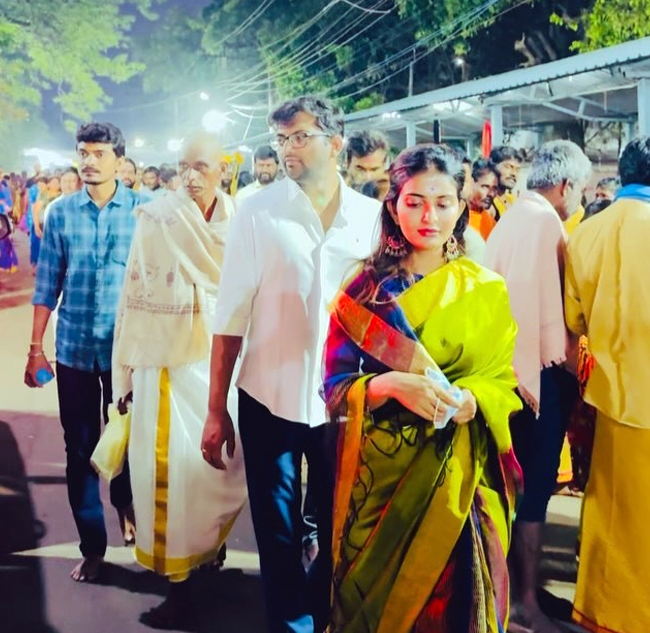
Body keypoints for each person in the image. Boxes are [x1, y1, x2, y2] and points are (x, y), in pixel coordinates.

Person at [201, 95, 381, 633]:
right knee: (277, 527)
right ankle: (291, 622)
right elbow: (230, 316)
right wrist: (216, 409)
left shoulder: (372, 219)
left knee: (336, 520)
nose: (287, 150)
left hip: (342, 402)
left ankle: (326, 611)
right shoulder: (258, 210)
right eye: (281, 140)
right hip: (267, 394)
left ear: (335, 142)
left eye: (300, 137)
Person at [325, 144, 521, 633]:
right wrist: (391, 384)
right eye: (413, 202)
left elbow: (502, 381)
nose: (428, 215)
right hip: (381, 481)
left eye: (441, 202)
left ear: (461, 205)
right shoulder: (364, 290)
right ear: (393, 206)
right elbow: (333, 387)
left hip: (458, 479)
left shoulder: (486, 288)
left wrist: (472, 400)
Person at [112, 132, 247, 629]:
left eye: (202, 167)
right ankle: (178, 584)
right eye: (183, 166)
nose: (191, 176)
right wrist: (123, 369)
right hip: (165, 364)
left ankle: (208, 552)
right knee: (167, 471)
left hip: (224, 360)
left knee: (217, 469)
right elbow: (132, 291)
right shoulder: (156, 218)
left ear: (224, 172)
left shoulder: (241, 220)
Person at [25, 122, 146, 584]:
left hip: (128, 355)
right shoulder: (60, 213)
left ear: (119, 159)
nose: (90, 161)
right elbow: (46, 284)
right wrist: (36, 349)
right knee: (78, 450)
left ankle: (125, 502)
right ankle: (93, 547)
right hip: (74, 349)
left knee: (131, 443)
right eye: (83, 152)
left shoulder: (145, 211)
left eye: (99, 153)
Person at [485, 139, 592, 633]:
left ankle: (512, 591)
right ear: (567, 184)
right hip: (535, 380)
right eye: (581, 189)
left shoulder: (513, 217)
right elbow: (554, 315)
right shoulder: (544, 222)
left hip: (503, 373)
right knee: (533, 490)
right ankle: (523, 603)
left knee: (515, 487)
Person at [565, 137, 650, 633]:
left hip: (613, 395)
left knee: (613, 510)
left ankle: (604, 612)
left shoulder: (586, 232)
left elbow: (574, 317)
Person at [467, 159, 499, 240]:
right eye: (485, 187)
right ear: (471, 183)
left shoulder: (489, 220)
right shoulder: (458, 218)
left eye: (494, 188)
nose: (491, 194)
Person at [490, 146, 523, 218]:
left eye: (517, 170)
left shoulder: (513, 200)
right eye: (508, 167)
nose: (514, 173)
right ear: (493, 167)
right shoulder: (486, 201)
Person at [0, 176, 18, 275]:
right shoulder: (4, 188)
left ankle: (9, 264)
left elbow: (8, 206)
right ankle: (8, 264)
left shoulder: (4, 189)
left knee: (4, 242)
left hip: (2, 218)